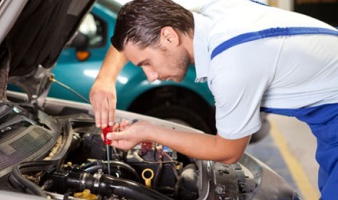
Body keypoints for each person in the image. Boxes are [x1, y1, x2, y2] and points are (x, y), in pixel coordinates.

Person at [89, 0, 338, 198]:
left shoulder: (232, 63)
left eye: (147, 63)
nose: (151, 76)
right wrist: (105, 79)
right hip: (327, 117)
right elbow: (135, 26)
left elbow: (228, 152)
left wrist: (148, 131)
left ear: (168, 37)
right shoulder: (203, 11)